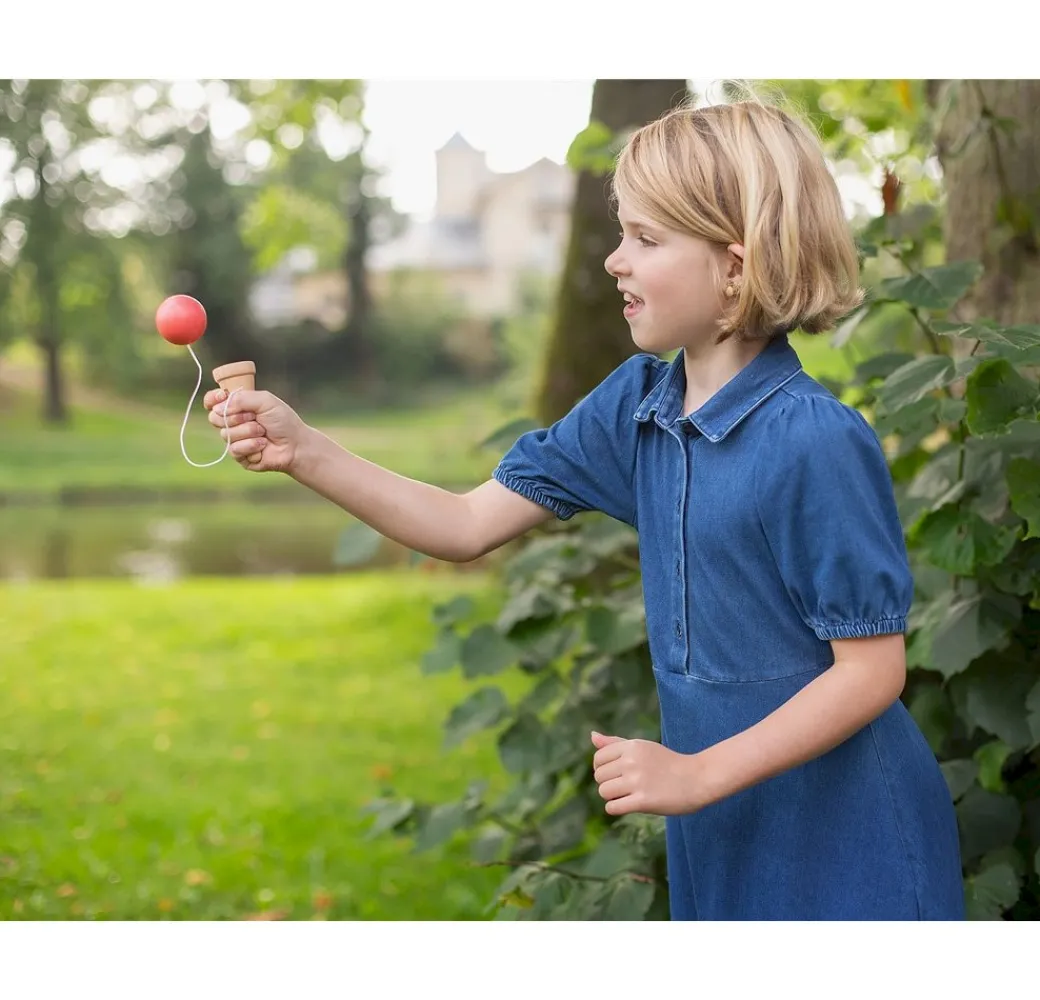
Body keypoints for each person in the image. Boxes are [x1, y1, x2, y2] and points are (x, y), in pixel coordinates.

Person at [204, 96, 965, 921]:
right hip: (722, 821)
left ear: (736, 266)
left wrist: (696, 773)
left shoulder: (815, 441)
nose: (614, 262)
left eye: (645, 239)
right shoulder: (636, 407)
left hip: (850, 839)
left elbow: (872, 672)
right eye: (620, 234)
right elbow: (464, 526)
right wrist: (304, 450)